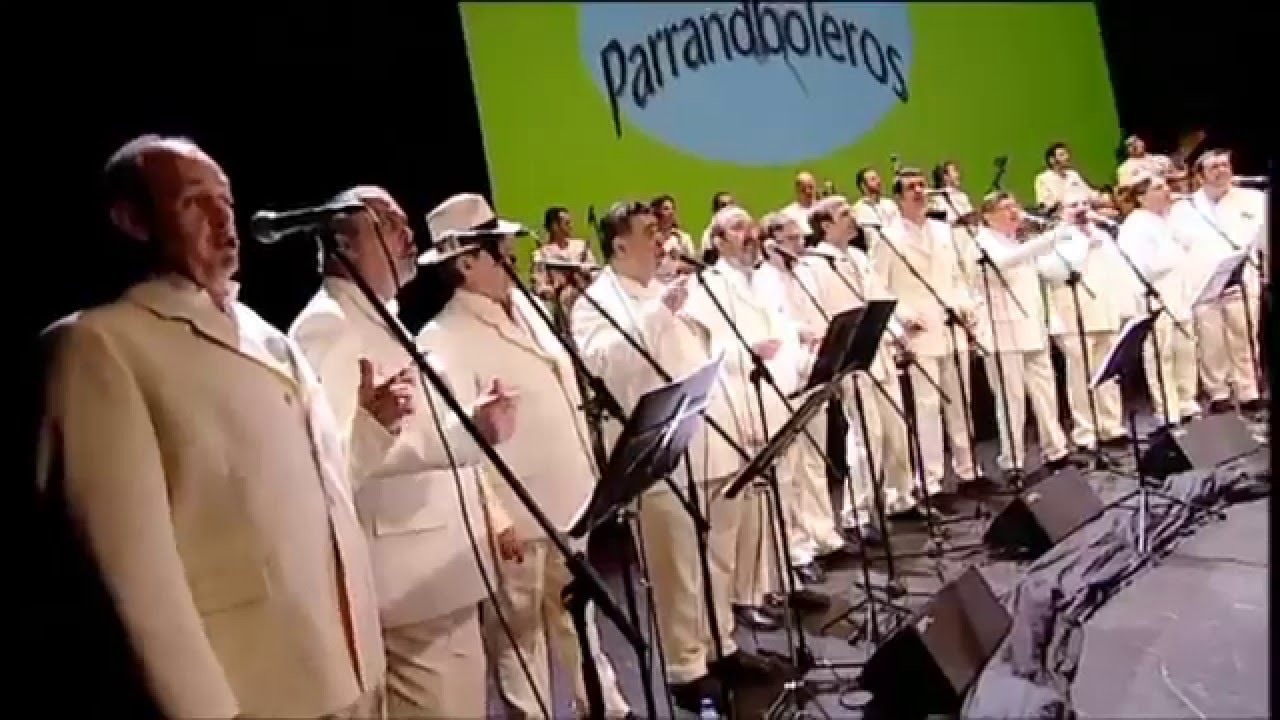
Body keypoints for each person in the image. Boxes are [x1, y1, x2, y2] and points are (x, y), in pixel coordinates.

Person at [37, 135, 385, 718]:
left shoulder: (267, 336)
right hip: (253, 692)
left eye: (226, 201)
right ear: (133, 220)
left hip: (345, 668)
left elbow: (319, 492)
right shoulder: (101, 345)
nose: (225, 221)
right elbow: (131, 569)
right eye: (196, 203)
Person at [289, 185, 521, 719]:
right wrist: (468, 433)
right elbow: (342, 456)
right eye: (389, 225)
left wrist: (472, 423)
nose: (408, 234)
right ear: (345, 244)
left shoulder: (379, 315)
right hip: (408, 580)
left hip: (438, 572)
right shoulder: (328, 325)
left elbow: (411, 425)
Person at [416, 193, 632, 719]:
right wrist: (493, 514)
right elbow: (454, 438)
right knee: (519, 639)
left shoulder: (528, 310)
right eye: (498, 247)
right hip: (518, 516)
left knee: (576, 617)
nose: (511, 253)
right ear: (466, 262)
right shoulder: (443, 337)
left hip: (569, 500)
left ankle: (604, 706)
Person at [573, 200, 775, 714]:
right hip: (657, 453)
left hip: (708, 439)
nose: (661, 240)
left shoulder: (667, 288)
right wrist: (659, 313)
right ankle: (686, 668)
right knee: (676, 565)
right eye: (648, 231)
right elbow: (606, 366)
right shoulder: (596, 302)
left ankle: (721, 644)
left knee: (718, 556)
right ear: (620, 244)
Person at [804, 195, 916, 534]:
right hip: (851, 357)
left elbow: (879, 297)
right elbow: (820, 313)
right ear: (826, 225)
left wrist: (899, 331)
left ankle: (900, 497)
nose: (852, 217)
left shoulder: (857, 256)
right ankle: (859, 512)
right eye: (844, 214)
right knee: (868, 436)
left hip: (879, 350)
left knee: (896, 428)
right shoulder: (816, 264)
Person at [754, 212, 850, 583]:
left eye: (801, 238)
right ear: (771, 243)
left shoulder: (804, 274)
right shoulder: (762, 280)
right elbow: (773, 323)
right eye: (792, 239)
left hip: (813, 368)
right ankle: (797, 547)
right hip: (783, 376)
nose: (801, 245)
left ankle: (824, 534)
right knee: (790, 466)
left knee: (815, 457)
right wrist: (800, 331)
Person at [873, 168, 981, 496]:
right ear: (898, 198)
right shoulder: (888, 237)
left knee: (961, 400)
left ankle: (968, 468)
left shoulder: (942, 230)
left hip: (951, 324)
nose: (919, 192)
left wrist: (965, 305)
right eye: (911, 188)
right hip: (919, 330)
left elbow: (958, 277)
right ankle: (931, 479)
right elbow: (878, 286)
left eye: (922, 185)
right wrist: (904, 318)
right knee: (927, 404)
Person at [972, 191, 1071, 480]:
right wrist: (1048, 239)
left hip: (1031, 328)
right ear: (988, 216)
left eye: (1015, 205)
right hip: (1002, 332)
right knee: (1010, 400)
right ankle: (1012, 459)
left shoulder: (1019, 241)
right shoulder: (983, 241)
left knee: (1046, 393)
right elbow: (1004, 262)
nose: (1014, 212)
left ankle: (1056, 450)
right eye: (1005, 208)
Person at [1170, 149, 1267, 416]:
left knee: (1244, 336)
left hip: (1241, 278)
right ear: (1200, 176)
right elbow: (1178, 247)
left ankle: (1248, 390)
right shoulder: (1184, 209)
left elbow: (1262, 239)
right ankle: (1218, 392)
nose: (1221, 171)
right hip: (1203, 284)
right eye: (1214, 167)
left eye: (1225, 165)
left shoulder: (1253, 199)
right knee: (1210, 341)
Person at [1034, 192, 1130, 451]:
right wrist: (1082, 241)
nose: (1081, 209)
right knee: (1080, 375)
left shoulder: (1102, 235)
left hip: (1104, 311)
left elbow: (1116, 270)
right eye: (1073, 205)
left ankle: (1111, 425)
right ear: (1059, 212)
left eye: (1085, 204)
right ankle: (1085, 431)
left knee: (1107, 372)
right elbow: (1054, 272)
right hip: (1072, 315)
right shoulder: (1053, 239)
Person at [1117, 173, 1201, 426]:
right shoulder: (1134, 226)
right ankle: (1168, 409)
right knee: (1161, 355)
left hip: (1180, 294)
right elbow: (1144, 267)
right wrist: (1177, 255)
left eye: (1165, 186)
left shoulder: (1166, 220)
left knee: (1184, 351)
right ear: (1141, 197)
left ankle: (1187, 402)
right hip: (1156, 298)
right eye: (1158, 188)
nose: (1166, 191)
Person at [532, 206, 597, 322]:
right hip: (564, 313)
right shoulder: (541, 254)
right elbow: (539, 287)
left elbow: (596, 274)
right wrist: (553, 290)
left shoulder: (581, 246)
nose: (571, 226)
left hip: (588, 306)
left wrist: (587, 274)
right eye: (566, 223)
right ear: (555, 226)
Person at [1034, 141, 1093, 213]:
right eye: (1062, 155)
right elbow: (1046, 205)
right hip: (1059, 216)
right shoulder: (1042, 178)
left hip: (1083, 212)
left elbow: (1090, 193)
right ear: (1052, 160)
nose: (1067, 157)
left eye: (1067, 154)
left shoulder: (1073, 174)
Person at [852, 167, 900, 250]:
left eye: (878, 178)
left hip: (899, 247)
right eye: (873, 179)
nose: (879, 181)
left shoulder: (889, 203)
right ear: (863, 186)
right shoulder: (858, 209)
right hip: (878, 252)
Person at [653, 194, 696, 283]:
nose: (671, 212)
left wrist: (678, 262)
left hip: (678, 286)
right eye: (666, 209)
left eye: (672, 209)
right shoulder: (648, 239)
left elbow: (693, 267)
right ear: (656, 213)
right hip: (654, 286)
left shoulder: (683, 238)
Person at [929, 160, 975, 224]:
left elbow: (971, 217)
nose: (958, 175)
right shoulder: (936, 199)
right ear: (945, 177)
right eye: (955, 171)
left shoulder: (962, 195)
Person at [781, 171, 819, 236]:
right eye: (803, 189)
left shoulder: (825, 207)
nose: (808, 192)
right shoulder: (787, 214)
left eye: (811, 187)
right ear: (797, 191)